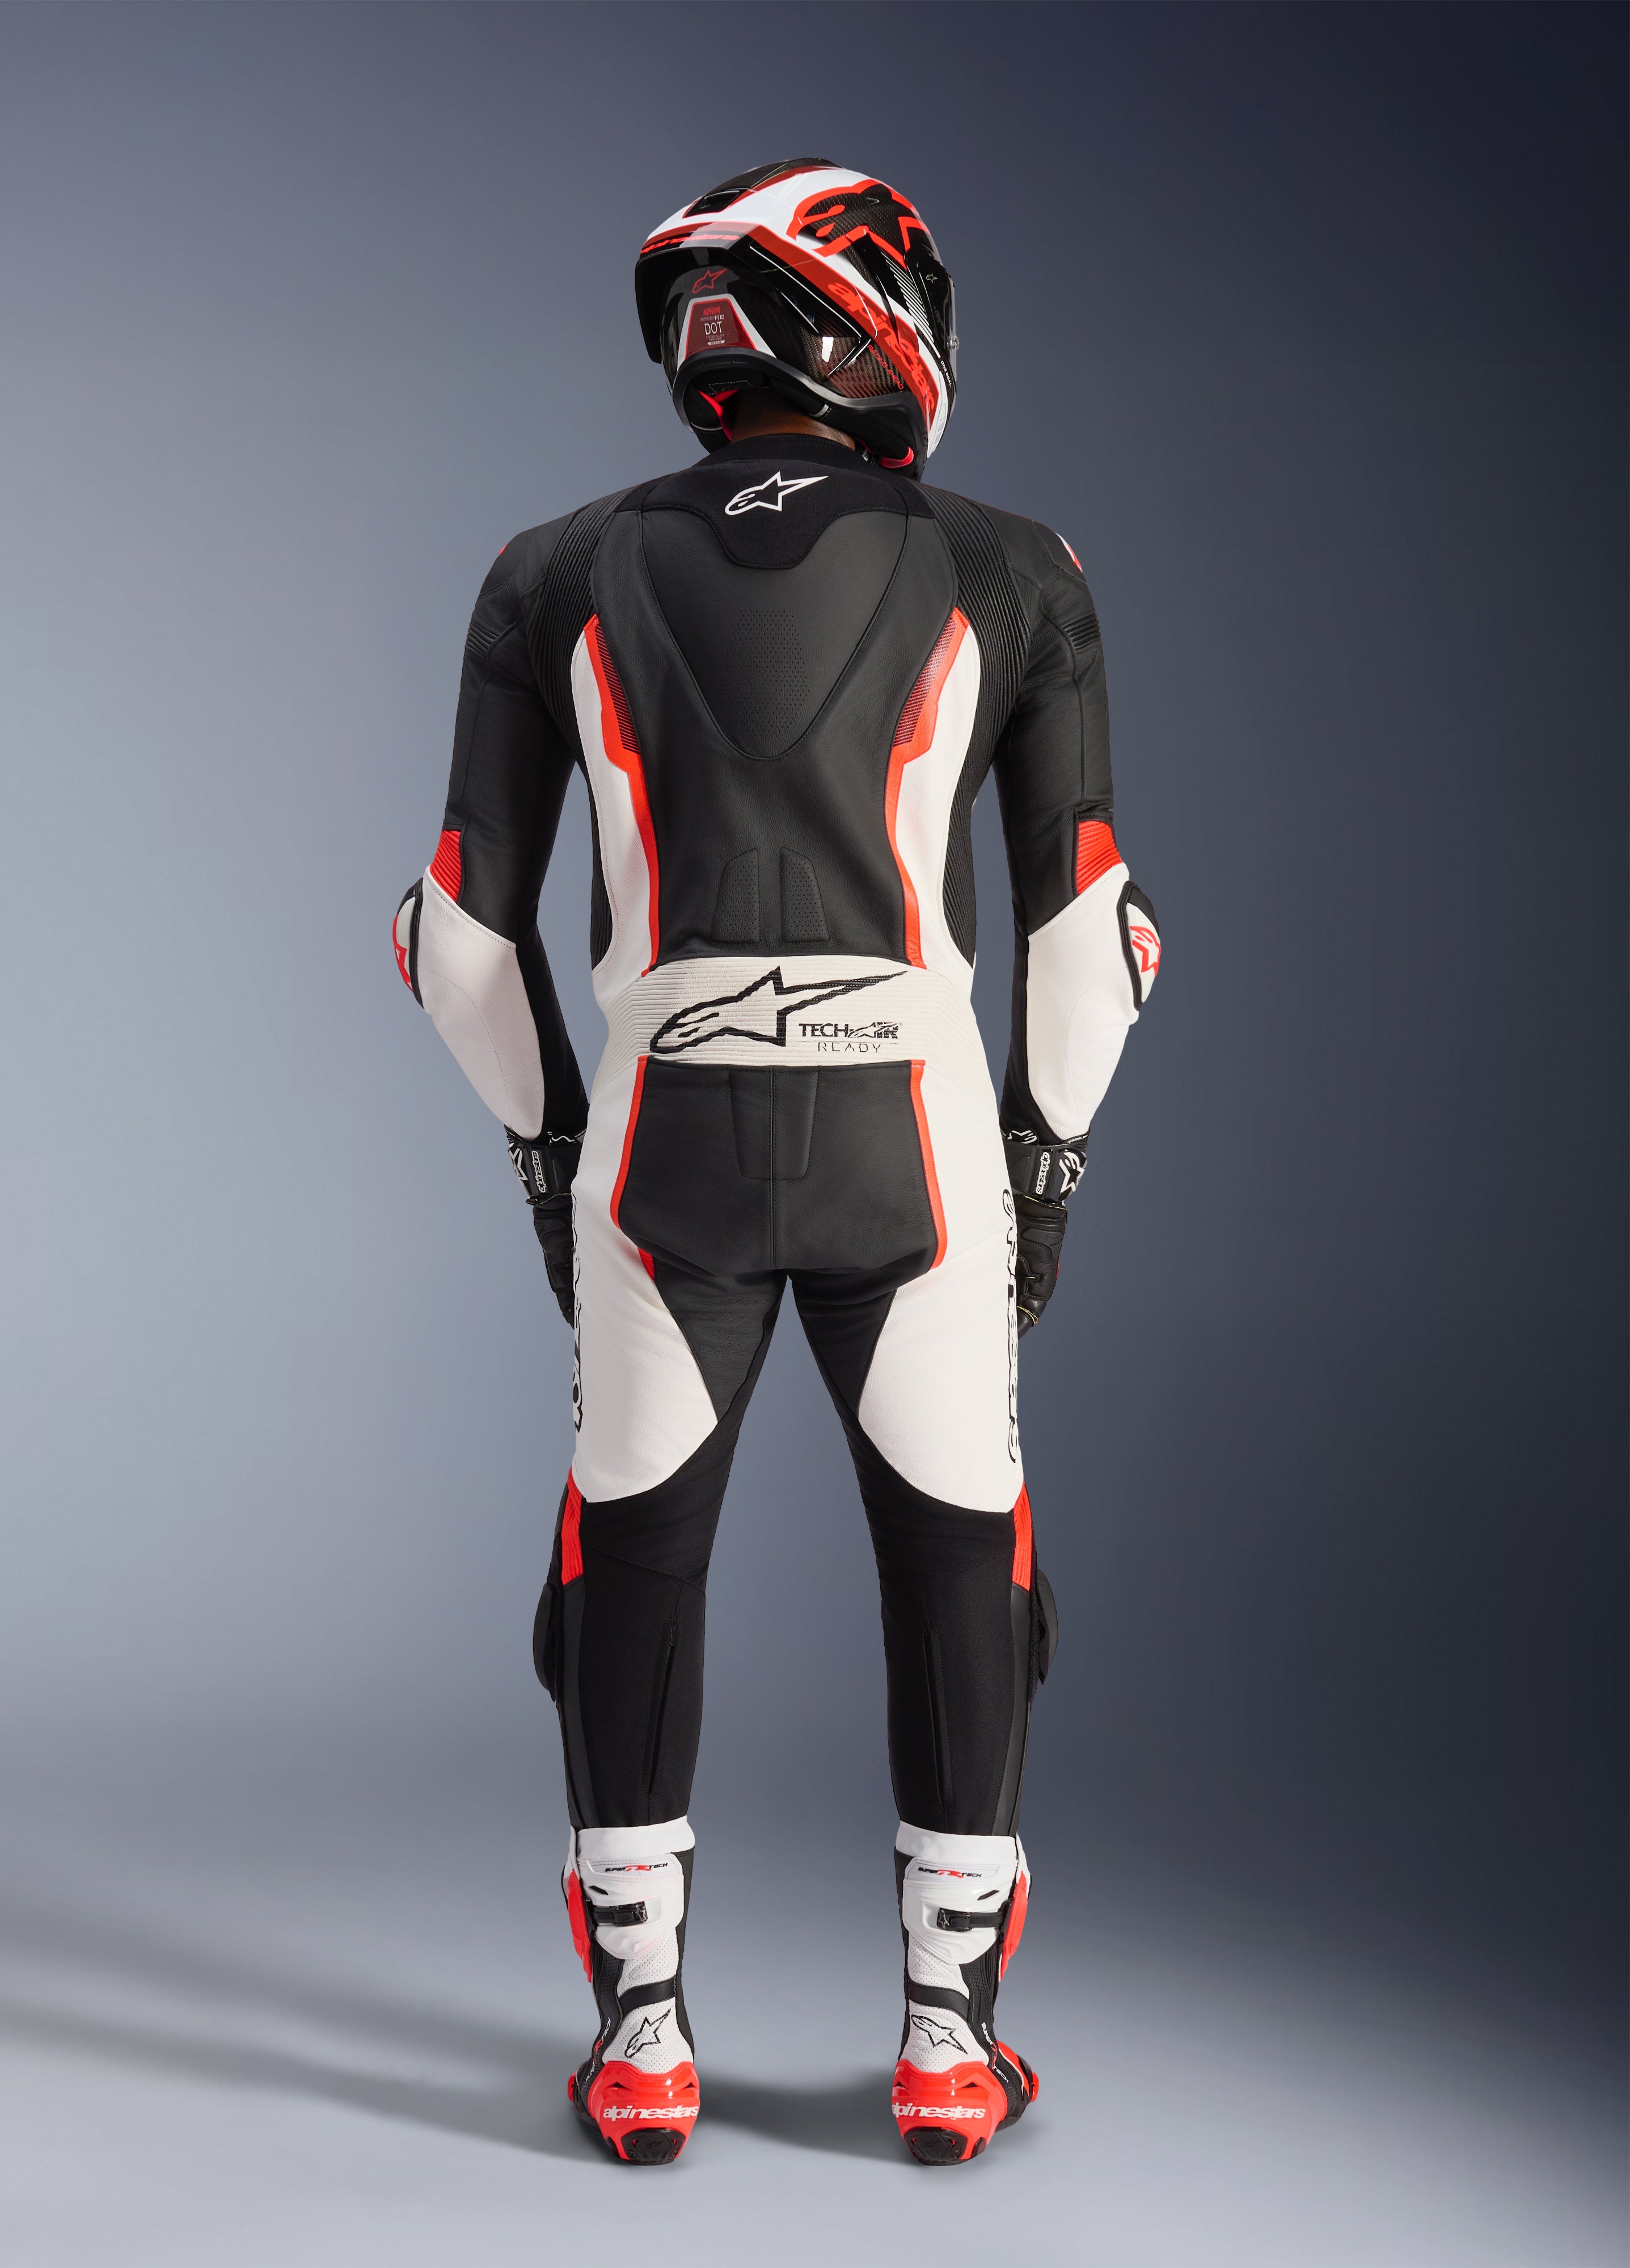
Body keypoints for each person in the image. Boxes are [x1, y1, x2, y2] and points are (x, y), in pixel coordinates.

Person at [391, 159, 1160, 2168]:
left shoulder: (547, 570)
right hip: (919, 1141)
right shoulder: (1018, 567)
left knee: (628, 1562)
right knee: (967, 1562)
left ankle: (642, 2041)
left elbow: (458, 949)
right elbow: (1091, 945)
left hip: (663, 1140)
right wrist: (1049, 1171)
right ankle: (945, 2044)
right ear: (886, 320)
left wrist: (552, 1157)